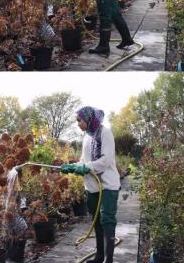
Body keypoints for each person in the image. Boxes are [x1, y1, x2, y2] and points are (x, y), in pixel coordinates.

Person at [61, 107, 120, 263]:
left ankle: (108, 260)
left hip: (107, 185)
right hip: (92, 187)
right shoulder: (86, 137)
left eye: (79, 120)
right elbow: (84, 160)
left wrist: (86, 167)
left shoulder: (104, 133)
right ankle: (99, 256)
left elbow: (105, 161)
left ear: (88, 119)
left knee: (107, 220)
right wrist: (73, 166)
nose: (78, 123)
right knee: (96, 219)